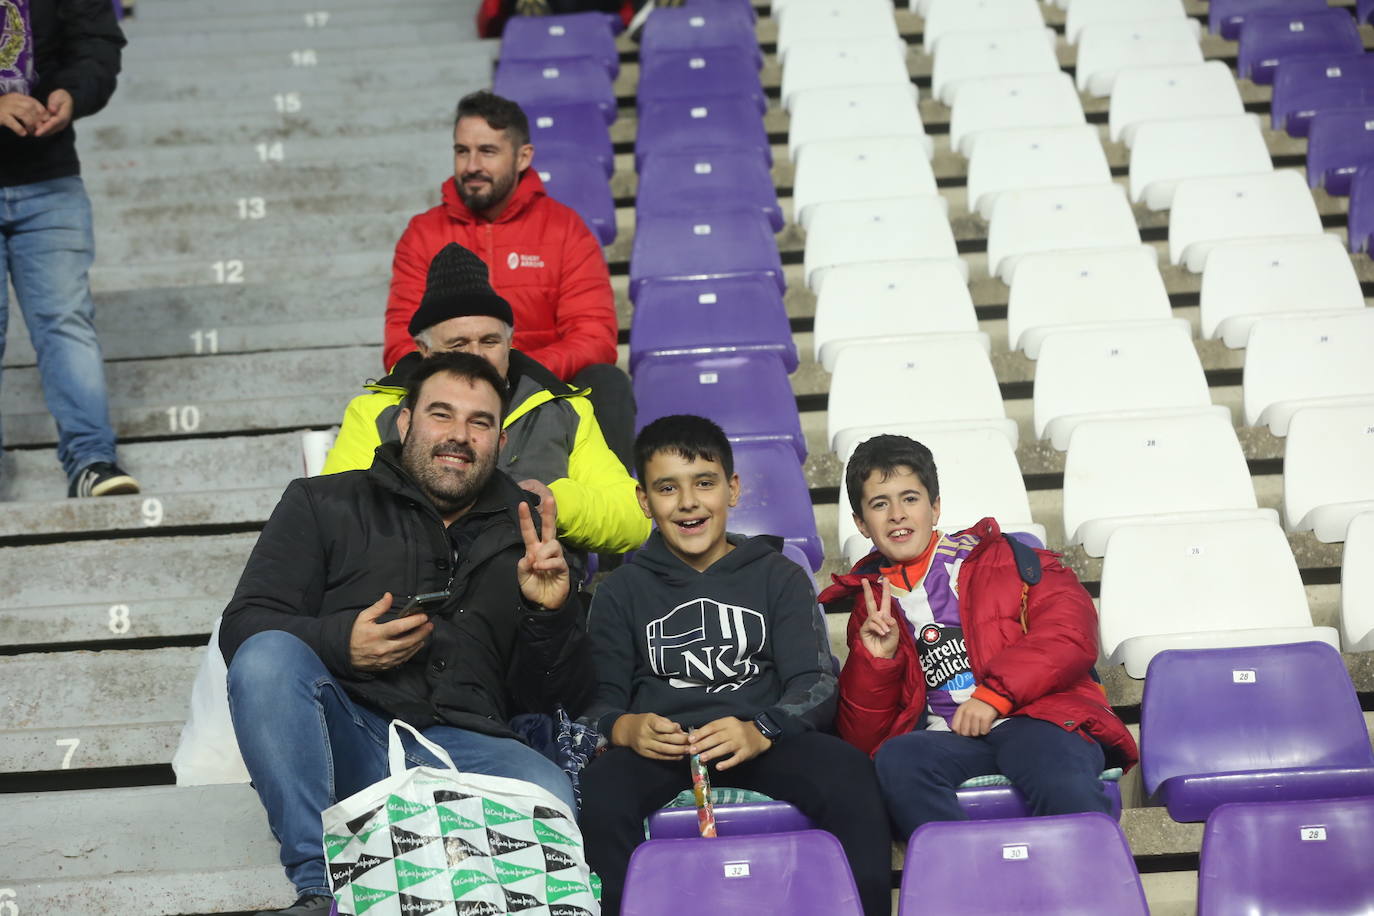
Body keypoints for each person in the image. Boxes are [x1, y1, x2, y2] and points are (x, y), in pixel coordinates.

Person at [220, 352, 595, 916]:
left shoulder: (528, 531)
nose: (459, 436)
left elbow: (551, 696)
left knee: (549, 789)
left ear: (498, 439)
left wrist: (552, 612)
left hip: (470, 748)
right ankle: (319, 887)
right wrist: (340, 642)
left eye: (480, 422)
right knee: (268, 656)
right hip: (349, 735)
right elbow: (244, 626)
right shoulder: (322, 502)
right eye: (441, 414)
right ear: (404, 423)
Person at [578, 415, 892, 916]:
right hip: (663, 749)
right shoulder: (619, 591)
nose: (688, 502)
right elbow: (596, 702)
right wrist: (623, 728)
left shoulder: (779, 576)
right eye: (666, 488)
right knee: (602, 791)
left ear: (733, 489)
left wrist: (763, 728)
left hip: (762, 739)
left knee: (849, 775)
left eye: (704, 483)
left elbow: (815, 683)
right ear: (643, 500)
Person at [821, 434, 1139, 841]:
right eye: (880, 504)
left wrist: (994, 695)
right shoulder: (871, 606)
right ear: (862, 524)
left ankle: (1084, 892)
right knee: (898, 760)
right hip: (951, 740)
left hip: (1036, 720)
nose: (897, 515)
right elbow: (863, 738)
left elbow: (1069, 634)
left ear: (935, 507)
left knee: (1053, 768)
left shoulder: (1007, 558)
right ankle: (969, 880)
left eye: (910, 499)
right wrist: (875, 663)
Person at [326, 242, 649, 565]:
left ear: (510, 342)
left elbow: (634, 518)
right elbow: (335, 519)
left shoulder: (564, 408)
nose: (477, 356)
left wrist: (556, 502)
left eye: (490, 341)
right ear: (424, 351)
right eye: (458, 343)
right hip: (416, 594)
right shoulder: (375, 413)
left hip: (542, 601)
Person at [384, 90, 635, 465]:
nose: (471, 165)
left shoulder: (564, 228)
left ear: (523, 157)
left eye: (487, 151)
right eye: (461, 151)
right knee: (391, 392)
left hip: (542, 390)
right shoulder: (423, 234)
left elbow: (594, 337)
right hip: (449, 396)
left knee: (607, 382)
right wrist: (463, 379)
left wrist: (517, 371)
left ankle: (615, 504)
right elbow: (400, 344)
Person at [0, 0, 138, 497]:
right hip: (46, 180)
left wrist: (71, 95)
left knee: (66, 321)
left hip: (49, 176)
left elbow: (98, 43)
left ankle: (92, 461)